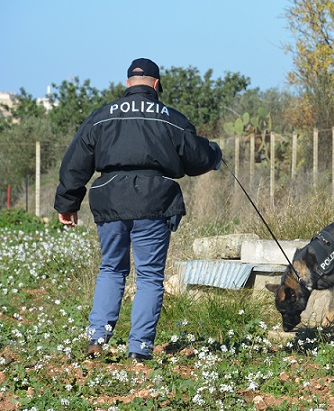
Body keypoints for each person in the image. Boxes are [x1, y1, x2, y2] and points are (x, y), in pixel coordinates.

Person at [54, 58, 222, 362]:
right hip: (154, 202)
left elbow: (76, 161)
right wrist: (214, 154)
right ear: (156, 85)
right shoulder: (171, 118)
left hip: (110, 200)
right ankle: (140, 350)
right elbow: (196, 157)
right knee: (149, 277)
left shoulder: (102, 117)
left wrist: (68, 203)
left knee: (111, 269)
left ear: (128, 84)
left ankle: (97, 338)